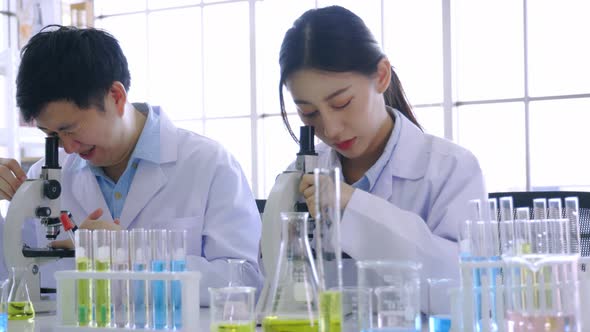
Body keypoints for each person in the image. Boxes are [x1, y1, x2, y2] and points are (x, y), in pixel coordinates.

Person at [0, 25, 263, 305]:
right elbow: (14, 279)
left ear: (116, 96)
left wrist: (134, 253)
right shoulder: (46, 177)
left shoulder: (210, 164)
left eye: (70, 129)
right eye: (51, 136)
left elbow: (245, 282)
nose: (67, 148)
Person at [278, 6, 487, 296]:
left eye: (341, 103)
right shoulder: (300, 175)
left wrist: (352, 204)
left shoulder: (451, 169)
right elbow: (278, 286)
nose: (331, 129)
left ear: (381, 75)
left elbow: (462, 288)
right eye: (309, 113)